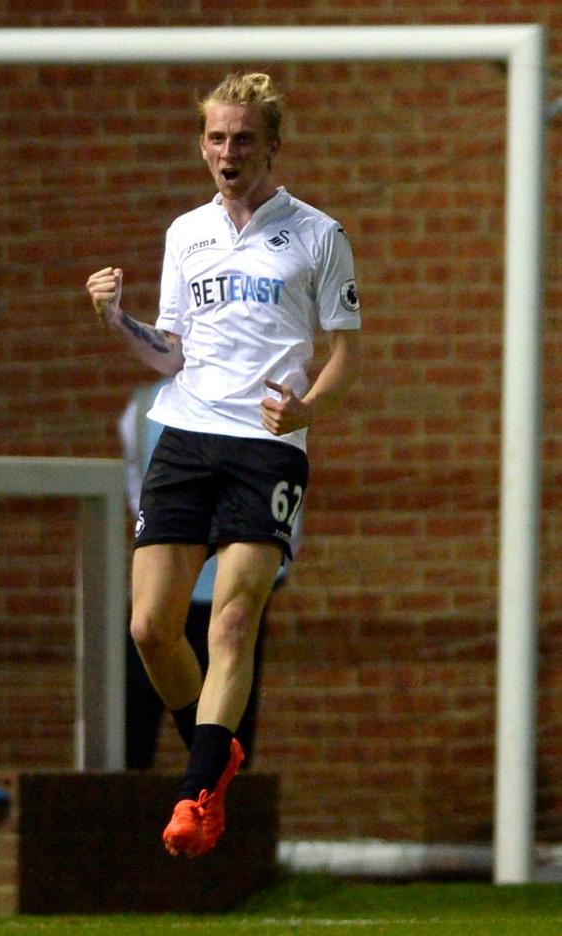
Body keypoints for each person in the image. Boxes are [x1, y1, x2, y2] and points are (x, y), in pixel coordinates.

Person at [86, 71, 362, 859]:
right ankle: (217, 749)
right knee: (149, 628)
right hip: (186, 434)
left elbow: (346, 354)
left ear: (272, 145)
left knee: (234, 619)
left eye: (243, 138)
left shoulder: (318, 234)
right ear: (201, 145)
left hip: (266, 447)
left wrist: (307, 409)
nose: (227, 151)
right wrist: (113, 319)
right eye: (215, 137)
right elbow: (169, 351)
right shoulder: (186, 234)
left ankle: (197, 789)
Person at [120, 377, 302, 770]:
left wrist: (277, 560)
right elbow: (139, 490)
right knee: (138, 704)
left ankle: (219, 795)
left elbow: (281, 487)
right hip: (170, 578)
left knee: (233, 691)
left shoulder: (266, 392)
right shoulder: (146, 404)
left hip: (232, 582)